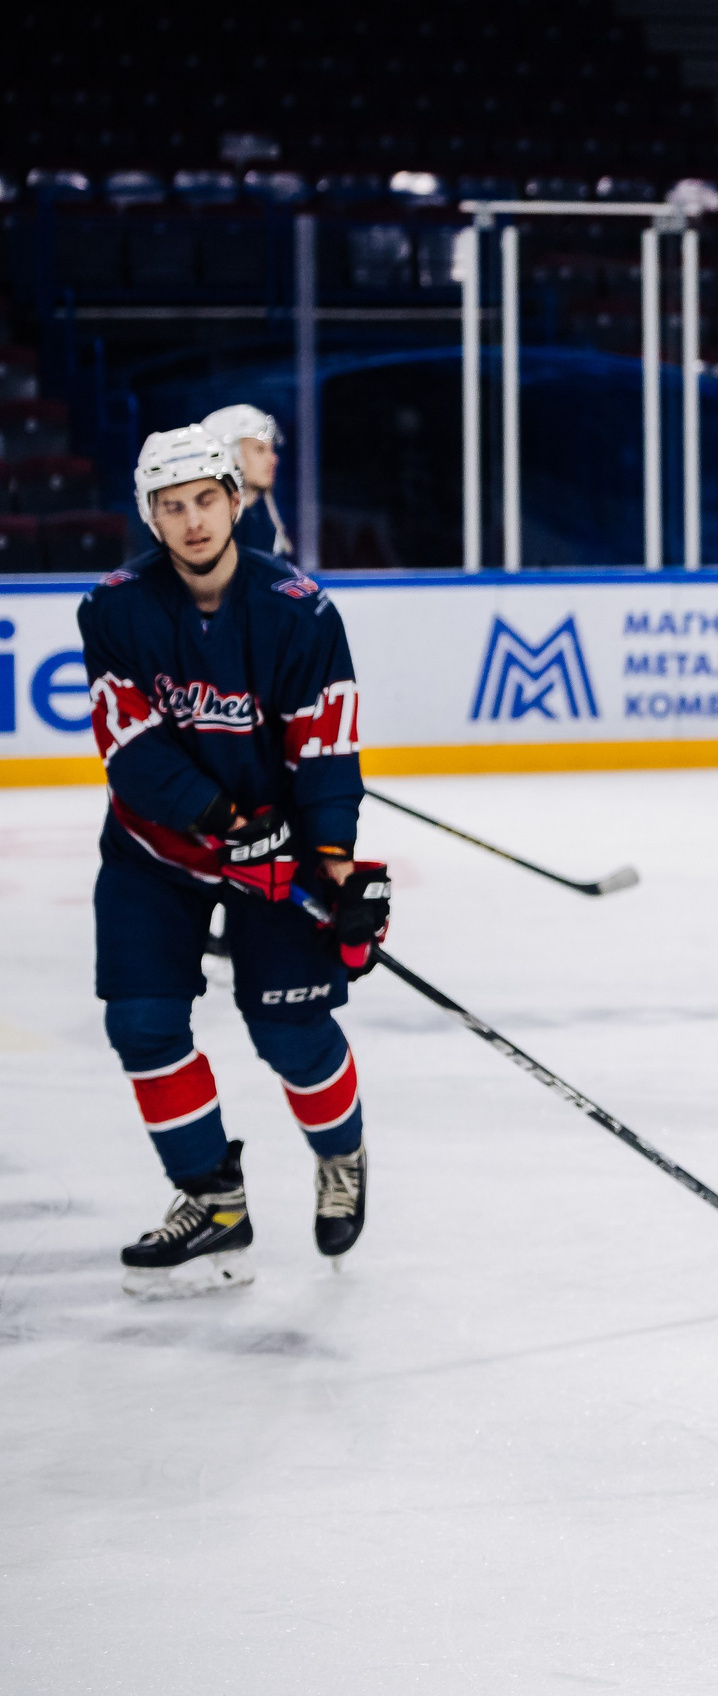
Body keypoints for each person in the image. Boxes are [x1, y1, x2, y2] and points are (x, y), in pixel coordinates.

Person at [83, 425, 389, 1298]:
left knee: (290, 1029)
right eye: (171, 507)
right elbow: (132, 750)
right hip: (156, 851)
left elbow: (327, 751)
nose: (190, 522)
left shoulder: (300, 610)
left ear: (235, 499)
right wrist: (223, 818)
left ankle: (341, 1153)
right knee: (141, 1023)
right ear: (150, 515)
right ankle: (212, 1199)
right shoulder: (113, 607)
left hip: (277, 862)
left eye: (204, 501)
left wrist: (332, 865)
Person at [200, 404, 292, 561]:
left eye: (272, 450)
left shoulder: (260, 524)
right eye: (259, 450)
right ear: (229, 456)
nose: (273, 459)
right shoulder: (204, 529)